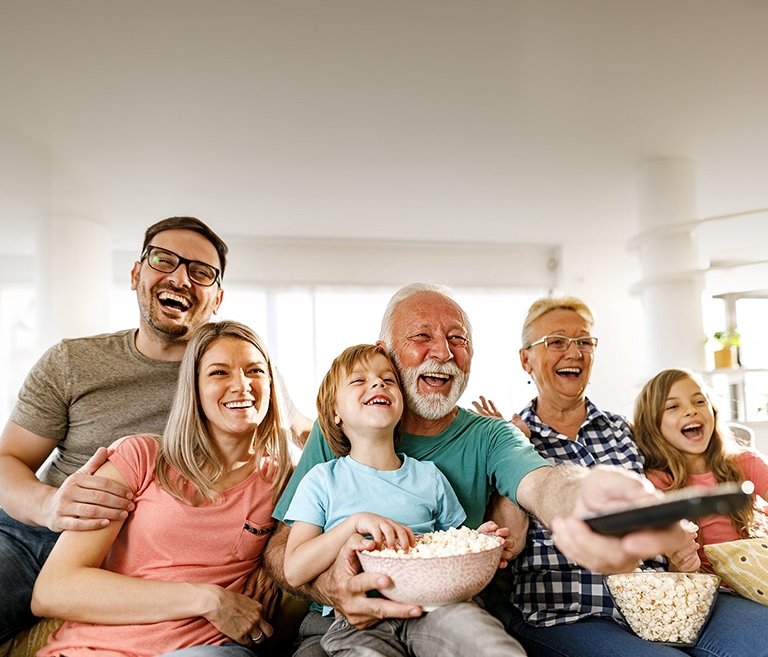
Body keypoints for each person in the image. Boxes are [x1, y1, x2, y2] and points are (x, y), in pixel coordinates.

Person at [263, 282, 690, 657]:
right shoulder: (338, 435)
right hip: (340, 620)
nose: (444, 353)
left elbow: (542, 482)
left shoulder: (490, 436)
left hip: (446, 610)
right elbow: (282, 552)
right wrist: (331, 588)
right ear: (385, 353)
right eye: (421, 336)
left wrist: (589, 494)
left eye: (458, 339)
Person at [490, 294, 768, 656]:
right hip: (568, 613)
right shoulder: (510, 438)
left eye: (584, 342)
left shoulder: (629, 431)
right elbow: (507, 542)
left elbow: (690, 468)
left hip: (667, 601)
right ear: (525, 359)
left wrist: (677, 549)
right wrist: (514, 449)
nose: (573, 352)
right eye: (556, 342)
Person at [0, 215, 229, 641]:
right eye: (164, 261)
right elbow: (8, 460)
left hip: (134, 562)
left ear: (216, 298)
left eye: (201, 272)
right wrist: (49, 507)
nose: (180, 278)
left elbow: (302, 431)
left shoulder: (231, 377)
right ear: (136, 274)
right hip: (32, 538)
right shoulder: (72, 361)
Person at [31, 320, 293, 656]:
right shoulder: (139, 457)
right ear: (194, 389)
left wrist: (274, 568)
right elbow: (54, 590)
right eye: (219, 373)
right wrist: (208, 599)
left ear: (271, 384)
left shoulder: (285, 480)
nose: (241, 385)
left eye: (255, 370)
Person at [283, 343, 524, 656]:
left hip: (437, 609)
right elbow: (295, 570)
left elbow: (450, 544)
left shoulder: (429, 477)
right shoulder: (321, 481)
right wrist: (352, 525)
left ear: (402, 406)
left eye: (388, 380)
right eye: (359, 380)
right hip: (359, 618)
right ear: (335, 413)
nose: (377, 383)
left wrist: (480, 543)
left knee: (491, 645)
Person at [633, 367, 768, 572]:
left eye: (699, 401)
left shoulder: (745, 461)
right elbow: (674, 571)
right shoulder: (657, 484)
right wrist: (681, 565)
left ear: (712, 411)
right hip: (713, 589)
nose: (690, 410)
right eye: (673, 407)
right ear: (653, 424)